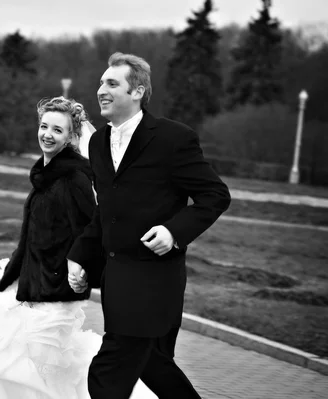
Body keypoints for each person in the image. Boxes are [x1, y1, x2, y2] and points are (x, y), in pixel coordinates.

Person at [0, 96, 156, 399]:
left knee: (38, 367)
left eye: (57, 130)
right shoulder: (46, 175)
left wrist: (80, 270)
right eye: (43, 126)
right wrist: (15, 270)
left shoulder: (73, 178)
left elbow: (95, 230)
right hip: (33, 283)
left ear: (71, 138)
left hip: (57, 288)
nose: (47, 134)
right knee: (17, 362)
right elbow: (33, 234)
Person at [67, 52, 232, 399]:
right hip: (116, 278)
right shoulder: (98, 143)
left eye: (112, 83)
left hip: (155, 280)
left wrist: (174, 232)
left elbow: (214, 195)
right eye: (101, 83)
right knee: (153, 364)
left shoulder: (173, 139)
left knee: (109, 371)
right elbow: (105, 212)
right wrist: (80, 256)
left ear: (138, 91)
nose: (101, 90)